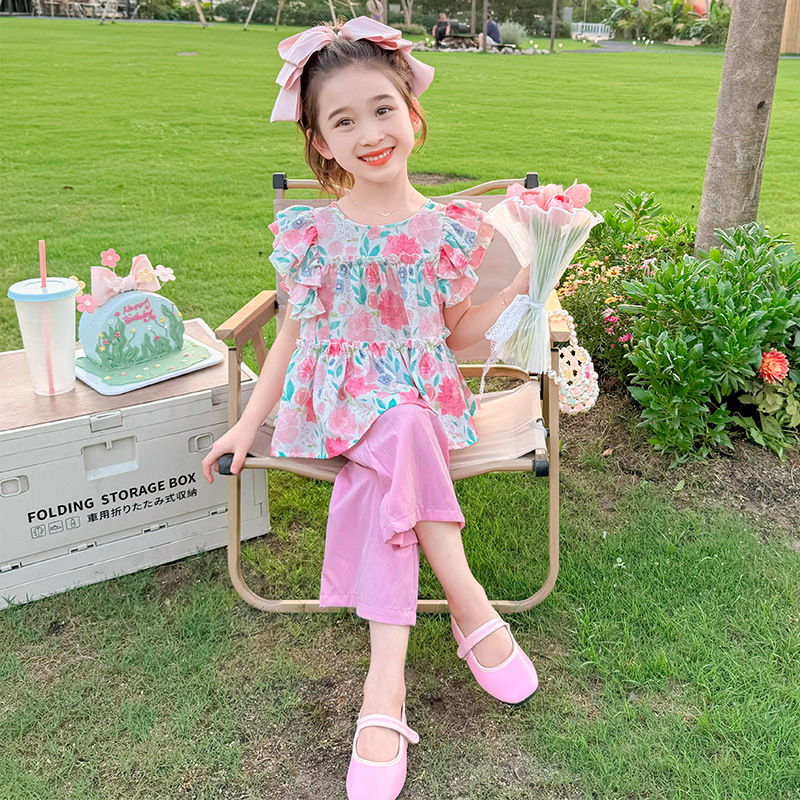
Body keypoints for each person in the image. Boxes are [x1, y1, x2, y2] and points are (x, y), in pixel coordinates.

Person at [201, 17, 537, 800]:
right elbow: (293, 334)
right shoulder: (315, 232)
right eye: (343, 121)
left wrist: (524, 286)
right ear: (321, 142)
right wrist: (247, 422)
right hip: (336, 404)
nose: (370, 133)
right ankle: (469, 607)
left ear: (412, 114)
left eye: (383, 109)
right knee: (401, 427)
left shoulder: (447, 228)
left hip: (419, 402)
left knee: (403, 434)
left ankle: (385, 691)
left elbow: (459, 335)